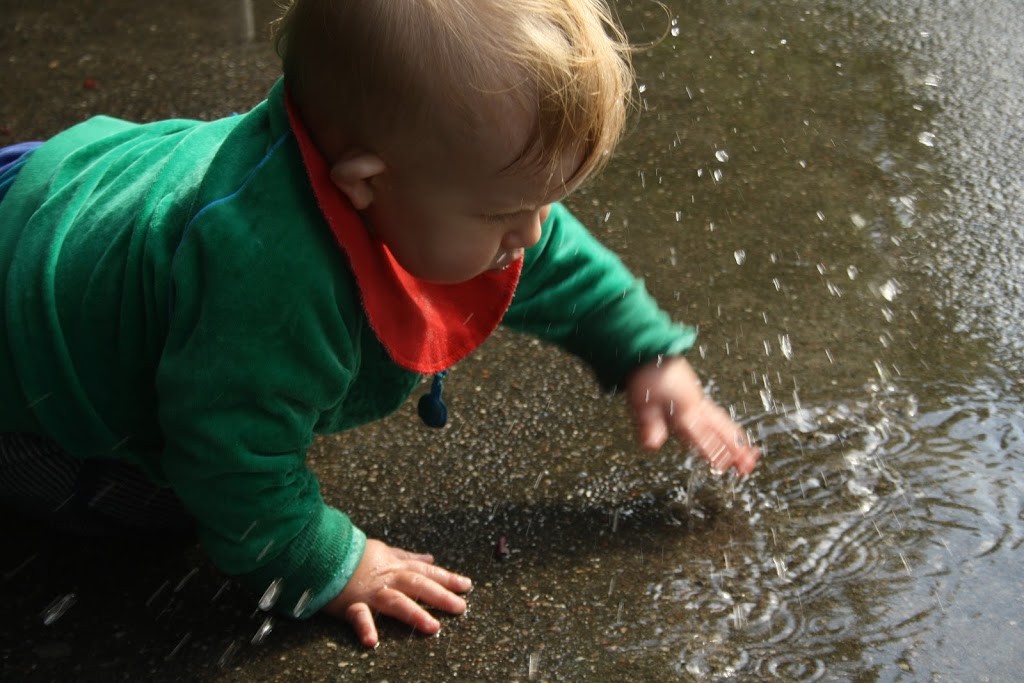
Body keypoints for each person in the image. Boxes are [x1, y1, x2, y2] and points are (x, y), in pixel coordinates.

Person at [0, 0, 760, 648]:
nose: (530, 233)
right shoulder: (267, 275)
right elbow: (228, 460)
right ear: (365, 183)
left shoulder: (405, 168)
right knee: (173, 509)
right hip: (28, 347)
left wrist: (644, 350)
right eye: (504, 214)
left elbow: (554, 259)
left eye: (541, 205)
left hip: (71, 188)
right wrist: (327, 559)